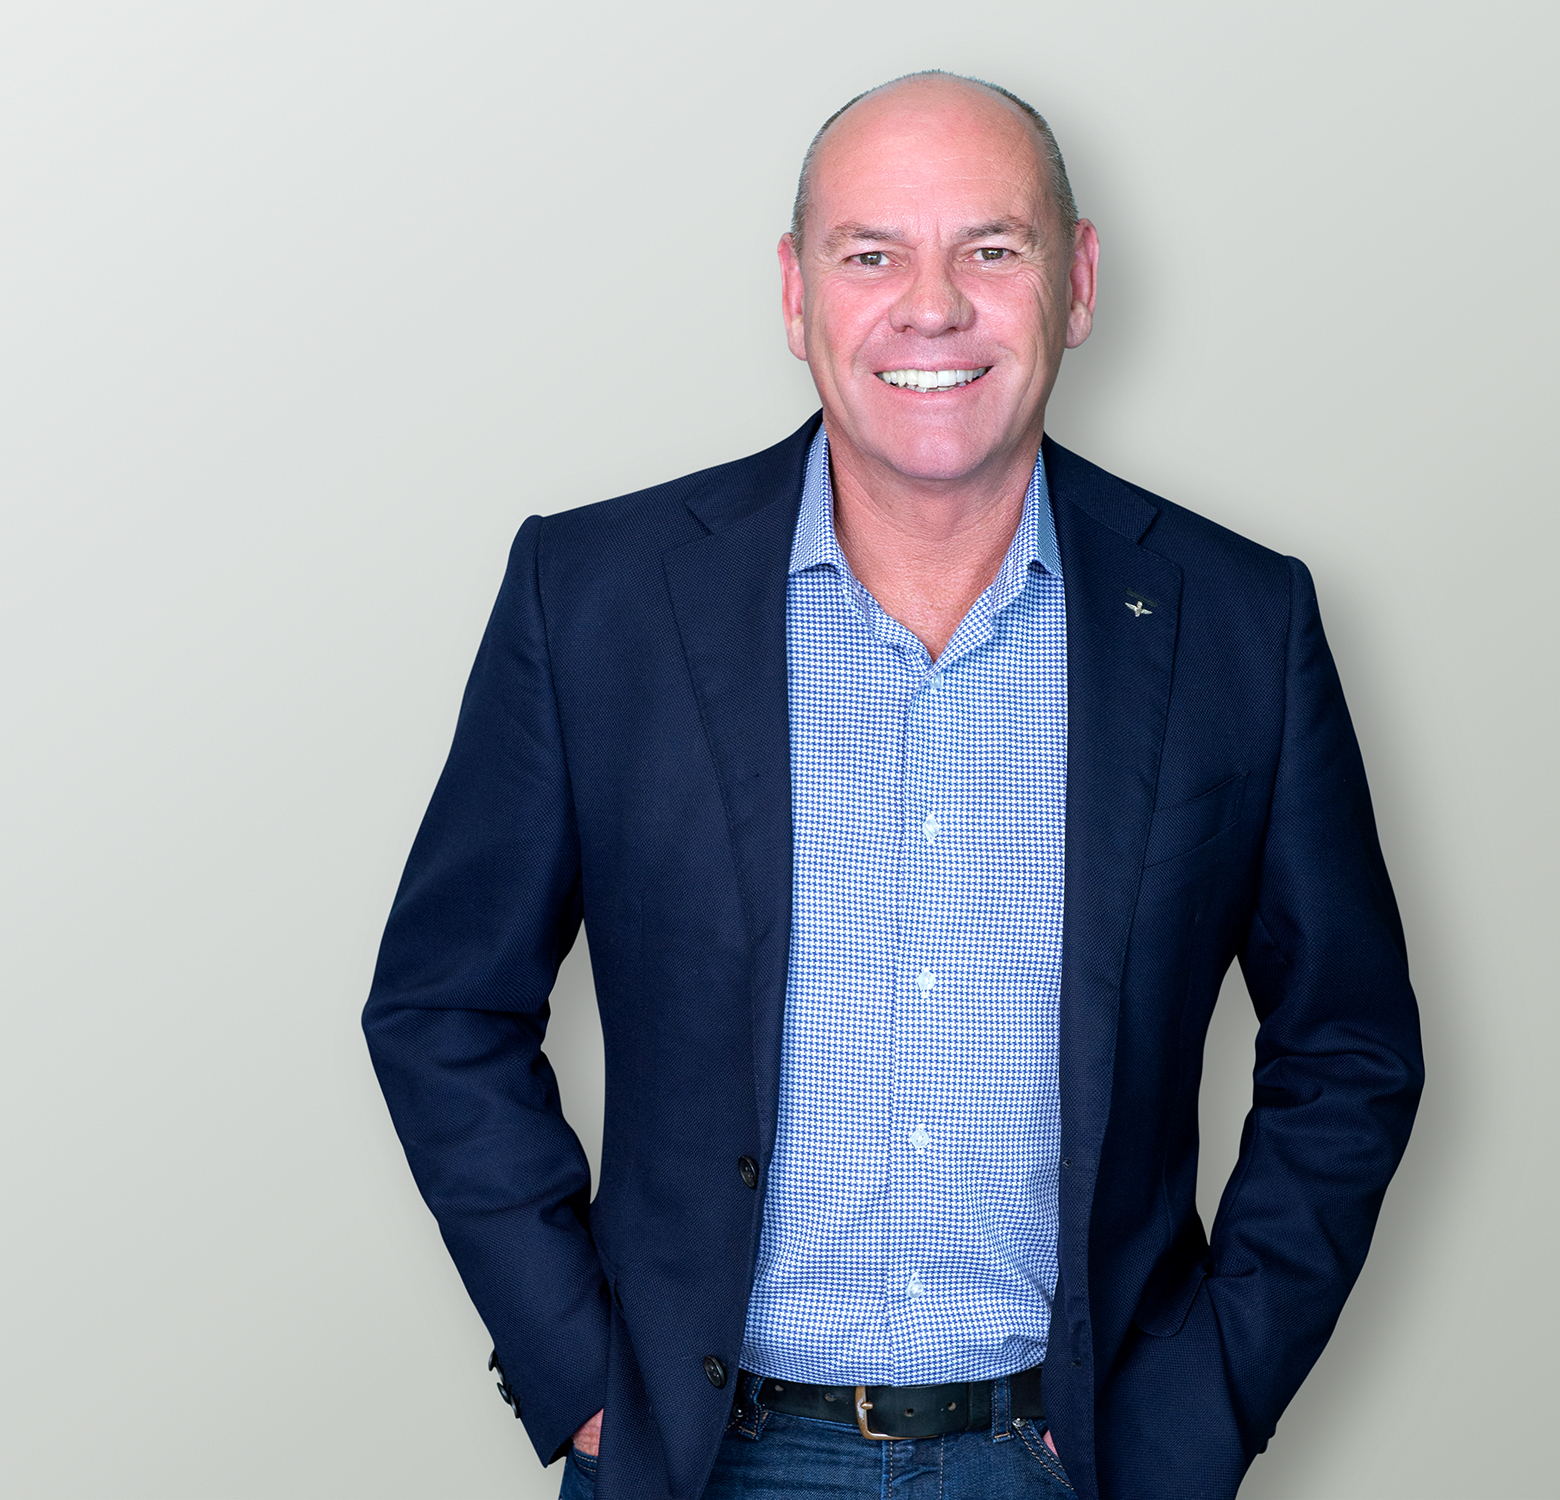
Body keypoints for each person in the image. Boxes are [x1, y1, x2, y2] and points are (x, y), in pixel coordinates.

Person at [363, 71, 1422, 1500]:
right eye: (872, 254)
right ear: (795, 293)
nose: (933, 307)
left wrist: (1210, 1396)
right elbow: (443, 1006)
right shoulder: (596, 598)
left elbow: (1349, 1045)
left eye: (992, 248)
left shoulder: (1238, 620)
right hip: (701, 1461)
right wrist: (579, 1378)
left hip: (1082, 1461)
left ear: (1078, 282)